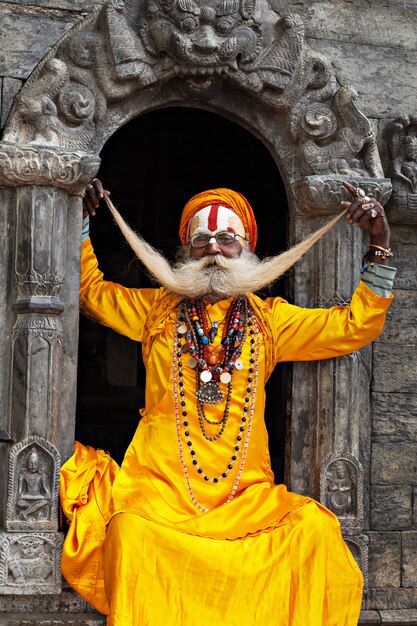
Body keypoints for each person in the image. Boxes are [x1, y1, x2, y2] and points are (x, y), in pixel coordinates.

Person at [60, 180, 395, 626]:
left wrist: (380, 242)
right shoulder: (157, 310)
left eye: (226, 239)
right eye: (201, 240)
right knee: (130, 532)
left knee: (314, 531)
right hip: (160, 491)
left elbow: (354, 325)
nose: (213, 248)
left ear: (248, 250)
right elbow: (90, 293)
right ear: (186, 250)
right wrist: (81, 220)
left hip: (244, 497)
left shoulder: (270, 321)